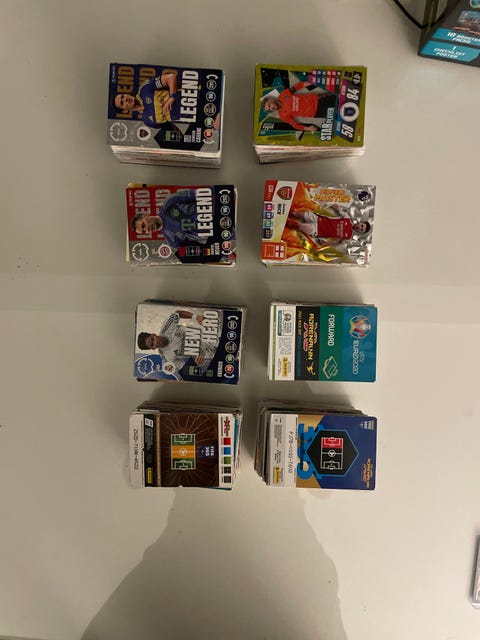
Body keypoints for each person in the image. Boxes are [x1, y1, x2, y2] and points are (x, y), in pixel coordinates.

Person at [137, 310, 218, 377]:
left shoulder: (167, 326)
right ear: (153, 348)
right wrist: (196, 363)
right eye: (152, 344)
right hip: (209, 354)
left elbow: (179, 313)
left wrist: (196, 317)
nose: (155, 342)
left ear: (153, 334)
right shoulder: (168, 357)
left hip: (211, 336)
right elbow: (185, 369)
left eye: (152, 339)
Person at [131, 190, 211, 248]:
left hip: (214, 212)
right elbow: (199, 249)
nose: (147, 229)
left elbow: (196, 194)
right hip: (214, 234)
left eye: (143, 225)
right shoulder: (172, 240)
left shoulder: (169, 202)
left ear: (145, 215)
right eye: (144, 231)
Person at [261, 81, 336, 131]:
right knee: (337, 113)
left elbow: (296, 87)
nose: (271, 108)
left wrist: (304, 84)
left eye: (269, 105)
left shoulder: (284, 94)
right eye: (269, 109)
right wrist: (307, 128)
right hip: (317, 112)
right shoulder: (283, 116)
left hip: (319, 99)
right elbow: (295, 125)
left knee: (339, 99)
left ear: (271, 100)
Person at [114, 70, 180, 127]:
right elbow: (171, 127)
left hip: (185, 99)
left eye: (123, 96)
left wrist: (172, 97)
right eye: (122, 103)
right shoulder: (147, 121)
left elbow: (171, 77)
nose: (125, 99)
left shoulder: (144, 89)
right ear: (125, 111)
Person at [285, 209, 370, 242]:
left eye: (361, 230)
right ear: (360, 222)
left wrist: (326, 244)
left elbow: (338, 243)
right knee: (295, 213)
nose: (360, 228)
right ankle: (284, 211)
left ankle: (284, 222)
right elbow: (338, 208)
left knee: (302, 226)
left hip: (318, 230)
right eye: (362, 226)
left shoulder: (349, 237)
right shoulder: (347, 218)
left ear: (360, 232)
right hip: (317, 219)